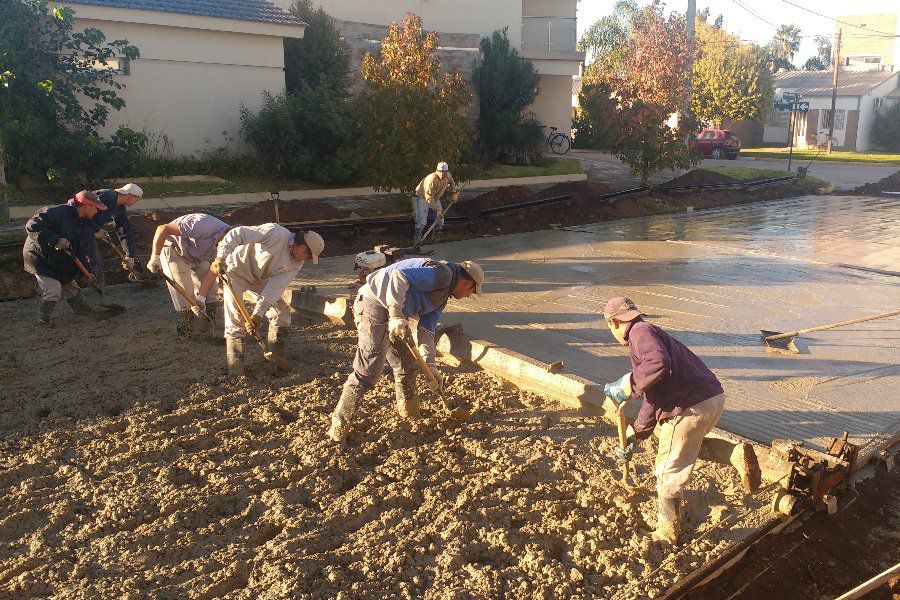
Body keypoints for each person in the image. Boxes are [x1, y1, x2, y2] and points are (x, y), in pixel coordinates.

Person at [602, 296, 761, 544]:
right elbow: (653, 398)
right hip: (712, 399)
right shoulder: (652, 333)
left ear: (612, 323)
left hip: (689, 407)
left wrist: (627, 384)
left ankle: (667, 532)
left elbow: (657, 363)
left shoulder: (639, 332)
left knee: (668, 470)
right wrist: (637, 433)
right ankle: (735, 454)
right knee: (688, 444)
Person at [328, 257, 484, 444]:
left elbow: (426, 331)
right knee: (368, 371)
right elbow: (400, 276)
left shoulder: (442, 297)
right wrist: (395, 315)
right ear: (467, 283)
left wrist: (430, 365)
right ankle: (338, 426)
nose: (468, 296)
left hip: (395, 314)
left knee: (408, 365)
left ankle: (410, 416)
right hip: (373, 303)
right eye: (471, 292)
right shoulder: (443, 275)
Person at [211, 224, 324, 376]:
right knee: (235, 320)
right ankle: (236, 369)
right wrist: (221, 257)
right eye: (309, 256)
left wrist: (258, 314)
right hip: (235, 272)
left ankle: (275, 355)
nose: (307, 260)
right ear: (302, 248)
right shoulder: (275, 232)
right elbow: (237, 233)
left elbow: (275, 289)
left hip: (259, 279)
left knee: (281, 312)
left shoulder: (296, 264)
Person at [22, 191, 108, 325]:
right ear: (86, 206)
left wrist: (86, 271)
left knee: (69, 283)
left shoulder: (85, 223)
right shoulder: (56, 212)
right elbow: (32, 226)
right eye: (95, 207)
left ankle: (82, 310)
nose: (97, 211)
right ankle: (43, 321)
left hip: (61, 257)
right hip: (39, 256)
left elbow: (82, 250)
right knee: (53, 290)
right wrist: (55, 240)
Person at [146, 213, 230, 336]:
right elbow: (163, 228)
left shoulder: (229, 247)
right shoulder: (203, 225)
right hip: (175, 250)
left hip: (199, 254)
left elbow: (212, 271)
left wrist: (201, 298)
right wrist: (155, 257)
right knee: (184, 293)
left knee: (212, 292)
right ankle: (186, 333)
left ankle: (208, 327)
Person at [88, 183, 144, 284]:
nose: (137, 202)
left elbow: (124, 230)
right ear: (131, 196)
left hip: (91, 231)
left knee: (96, 259)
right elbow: (85, 212)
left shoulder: (120, 208)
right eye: (137, 199)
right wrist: (95, 230)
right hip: (78, 229)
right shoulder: (106, 196)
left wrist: (130, 255)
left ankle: (99, 283)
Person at [412, 162, 458, 245]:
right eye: (440, 171)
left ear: (446, 172)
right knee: (422, 221)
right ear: (436, 170)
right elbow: (428, 198)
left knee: (440, 220)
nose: (442, 174)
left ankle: (435, 240)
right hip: (423, 197)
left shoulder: (448, 176)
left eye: (444, 172)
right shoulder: (431, 180)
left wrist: (454, 193)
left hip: (436, 198)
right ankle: (417, 242)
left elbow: (452, 182)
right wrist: (437, 209)